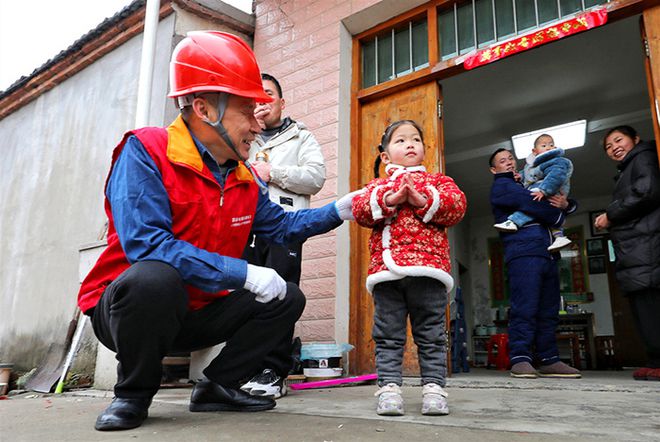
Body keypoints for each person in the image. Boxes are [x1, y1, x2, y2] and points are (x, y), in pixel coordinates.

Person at [77, 31, 357, 432]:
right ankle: (133, 395)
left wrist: (341, 209)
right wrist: (242, 272)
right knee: (154, 277)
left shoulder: (243, 177)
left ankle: (215, 387)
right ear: (205, 108)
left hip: (197, 313)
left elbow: (281, 226)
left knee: (286, 296)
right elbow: (147, 246)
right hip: (132, 312)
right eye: (247, 110)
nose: (257, 126)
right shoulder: (146, 151)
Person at [352, 120, 467, 416]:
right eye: (401, 141)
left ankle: (434, 388)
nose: (410, 144)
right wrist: (389, 199)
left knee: (431, 333)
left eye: (415, 139)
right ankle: (389, 389)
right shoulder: (378, 185)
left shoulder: (438, 182)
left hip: (428, 273)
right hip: (388, 276)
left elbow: (457, 206)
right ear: (386, 156)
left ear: (424, 150)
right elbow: (360, 210)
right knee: (388, 334)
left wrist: (421, 199)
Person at [240, 74, 325, 399]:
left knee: (280, 294)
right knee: (247, 295)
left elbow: (315, 178)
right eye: (255, 98)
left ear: (281, 102)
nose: (262, 102)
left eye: (268, 95)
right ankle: (246, 366)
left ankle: (274, 371)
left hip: (286, 223)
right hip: (247, 226)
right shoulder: (244, 134)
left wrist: (273, 172)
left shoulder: (301, 136)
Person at [489, 148, 581, 379]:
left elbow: (555, 196)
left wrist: (567, 204)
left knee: (548, 308)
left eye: (511, 158)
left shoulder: (527, 181)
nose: (509, 162)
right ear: (494, 169)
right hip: (523, 253)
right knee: (525, 306)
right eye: (502, 161)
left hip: (547, 252)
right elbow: (532, 203)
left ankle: (548, 359)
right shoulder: (502, 186)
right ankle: (520, 358)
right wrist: (560, 213)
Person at [593, 126, 660, 381]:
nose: (614, 148)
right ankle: (655, 360)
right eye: (608, 147)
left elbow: (647, 191)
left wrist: (611, 214)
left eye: (618, 140)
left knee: (649, 303)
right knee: (644, 305)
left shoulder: (643, 157)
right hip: (638, 250)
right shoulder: (630, 167)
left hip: (646, 248)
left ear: (635, 139)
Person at [494, 134, 573, 252]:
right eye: (544, 145)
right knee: (533, 203)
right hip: (529, 248)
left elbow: (556, 176)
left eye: (551, 145)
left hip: (548, 192)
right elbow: (529, 175)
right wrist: (521, 176)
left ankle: (514, 221)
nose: (548, 148)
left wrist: (545, 191)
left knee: (533, 199)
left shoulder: (556, 161)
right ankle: (559, 236)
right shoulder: (503, 184)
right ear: (534, 151)